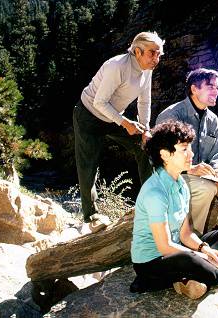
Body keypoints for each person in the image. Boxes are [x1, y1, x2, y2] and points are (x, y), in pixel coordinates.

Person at [130, 120, 218, 299]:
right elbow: (164, 246)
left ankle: (189, 280)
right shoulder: (156, 192)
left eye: (190, 148)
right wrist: (201, 256)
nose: (191, 154)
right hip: (152, 261)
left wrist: (205, 249)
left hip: (175, 251)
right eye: (184, 149)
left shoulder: (180, 185)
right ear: (164, 154)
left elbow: (185, 233)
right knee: (192, 259)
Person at [156, 68, 218, 237]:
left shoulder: (213, 120)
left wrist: (217, 169)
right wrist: (190, 169)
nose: (217, 91)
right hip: (175, 177)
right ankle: (189, 240)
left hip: (206, 177)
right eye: (211, 86)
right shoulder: (172, 115)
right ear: (194, 89)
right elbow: (160, 156)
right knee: (207, 188)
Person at [73, 31, 164, 224]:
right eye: (152, 53)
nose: (156, 58)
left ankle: (151, 202)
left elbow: (145, 101)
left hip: (113, 115)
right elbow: (99, 102)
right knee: (88, 165)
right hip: (88, 115)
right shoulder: (117, 66)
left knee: (145, 146)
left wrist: (146, 129)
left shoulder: (147, 68)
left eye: (158, 54)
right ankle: (91, 216)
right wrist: (124, 122)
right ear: (137, 51)